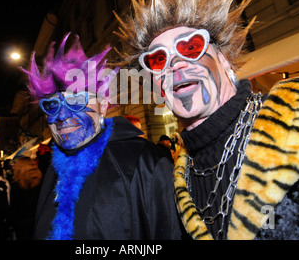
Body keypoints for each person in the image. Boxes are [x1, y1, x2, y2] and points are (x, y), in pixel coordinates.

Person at [114, 0, 299, 240]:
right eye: (159, 59)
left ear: (224, 60)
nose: (175, 64)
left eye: (190, 46)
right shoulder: (177, 179)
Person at [21, 33, 184, 240]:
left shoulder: (142, 160)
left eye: (77, 100)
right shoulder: (55, 167)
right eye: (52, 105)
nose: (61, 116)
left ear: (103, 107)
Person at [9, 157, 42, 240]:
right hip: (38, 220)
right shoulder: (40, 181)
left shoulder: (16, 184)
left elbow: (14, 206)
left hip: (21, 223)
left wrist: (11, 223)